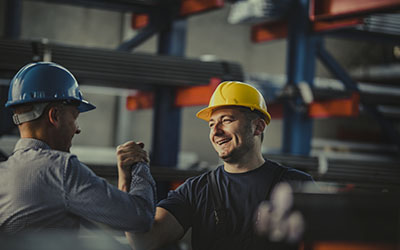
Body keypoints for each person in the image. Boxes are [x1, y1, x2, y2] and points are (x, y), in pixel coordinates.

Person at [118, 81, 314, 250]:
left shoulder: (297, 185)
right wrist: (127, 182)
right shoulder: (195, 190)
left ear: (258, 126)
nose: (216, 131)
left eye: (227, 120)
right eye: (211, 124)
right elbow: (144, 240)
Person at [0, 62, 156, 234]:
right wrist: (139, 164)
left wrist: (125, 179)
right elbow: (141, 218)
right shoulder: (60, 169)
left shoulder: (4, 173)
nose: (77, 128)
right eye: (74, 117)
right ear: (55, 116)